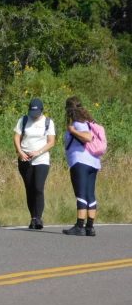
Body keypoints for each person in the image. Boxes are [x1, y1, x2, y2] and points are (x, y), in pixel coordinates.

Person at [13, 98, 56, 230]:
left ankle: (38, 217)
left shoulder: (48, 122)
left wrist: (38, 151)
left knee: (38, 187)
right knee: (30, 189)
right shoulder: (23, 120)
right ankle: (33, 217)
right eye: (32, 112)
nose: (34, 115)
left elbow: (51, 141)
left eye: (36, 113)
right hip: (25, 159)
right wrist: (20, 152)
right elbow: (16, 137)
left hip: (41, 159)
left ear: (42, 111)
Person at [62, 96, 101, 236]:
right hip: (93, 162)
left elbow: (88, 137)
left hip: (80, 162)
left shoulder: (78, 124)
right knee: (90, 194)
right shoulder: (87, 122)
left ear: (69, 110)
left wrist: (72, 131)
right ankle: (89, 227)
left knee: (81, 194)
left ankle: (79, 226)